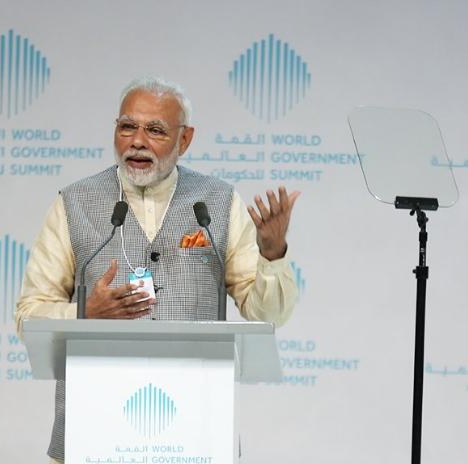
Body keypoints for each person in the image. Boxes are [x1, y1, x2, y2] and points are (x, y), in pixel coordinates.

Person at [16, 77, 299, 464]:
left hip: (196, 434)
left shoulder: (218, 204)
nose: (137, 141)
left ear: (185, 139)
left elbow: (269, 314)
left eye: (155, 130)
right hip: (91, 431)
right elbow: (29, 314)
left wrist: (273, 255)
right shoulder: (74, 203)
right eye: (127, 127)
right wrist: (84, 314)